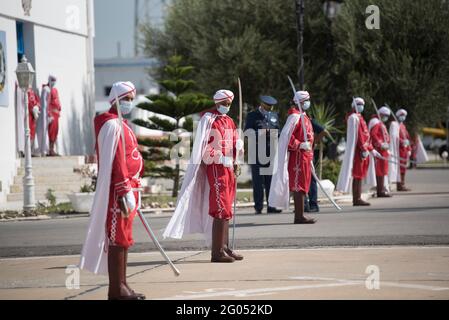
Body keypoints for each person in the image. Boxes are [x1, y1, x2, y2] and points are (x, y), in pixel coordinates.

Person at [80, 81, 145, 300]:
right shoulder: (111, 125)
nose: (129, 103)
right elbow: (116, 162)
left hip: (129, 189)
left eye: (131, 99)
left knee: (125, 239)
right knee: (118, 240)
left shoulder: (121, 123)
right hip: (119, 193)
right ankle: (116, 289)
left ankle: (123, 285)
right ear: (115, 100)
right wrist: (124, 189)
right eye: (126, 99)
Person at [163, 89, 244, 263]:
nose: (227, 107)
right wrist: (221, 157)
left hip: (229, 169)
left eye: (229, 104)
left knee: (227, 209)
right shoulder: (208, 120)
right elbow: (204, 149)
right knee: (220, 208)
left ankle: (226, 247)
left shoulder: (229, 121)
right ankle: (217, 252)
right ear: (217, 103)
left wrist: (238, 148)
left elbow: (233, 144)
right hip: (216, 169)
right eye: (224, 104)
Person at [269, 91, 316, 224]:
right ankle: (299, 216)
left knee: (303, 186)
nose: (308, 103)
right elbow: (286, 137)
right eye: (306, 100)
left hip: (306, 156)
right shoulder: (294, 117)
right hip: (298, 157)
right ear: (300, 102)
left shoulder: (304, 116)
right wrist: (300, 144)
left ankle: (301, 214)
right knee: (298, 186)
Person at [244, 95, 282, 214]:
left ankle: (271, 206)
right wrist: (261, 133)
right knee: (258, 181)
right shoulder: (252, 115)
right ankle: (258, 206)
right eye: (268, 105)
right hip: (256, 152)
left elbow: (279, 131)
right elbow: (247, 132)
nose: (270, 108)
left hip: (271, 152)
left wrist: (275, 134)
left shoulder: (274, 115)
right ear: (262, 104)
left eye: (271, 106)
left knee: (270, 180)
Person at [336, 97, 376, 206]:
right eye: (359, 104)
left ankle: (358, 197)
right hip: (358, 151)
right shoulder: (353, 118)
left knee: (360, 175)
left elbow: (365, 134)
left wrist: (371, 148)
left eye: (362, 104)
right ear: (354, 106)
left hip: (363, 150)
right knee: (357, 175)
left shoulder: (359, 117)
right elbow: (358, 136)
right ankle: (356, 198)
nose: (361, 106)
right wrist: (363, 148)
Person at [368, 106, 392, 197]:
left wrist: (387, 145)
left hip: (384, 151)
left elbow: (385, 136)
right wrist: (380, 144)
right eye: (384, 115)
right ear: (380, 114)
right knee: (379, 171)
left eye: (387, 115)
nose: (385, 117)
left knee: (383, 170)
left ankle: (382, 188)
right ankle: (380, 190)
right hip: (379, 150)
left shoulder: (381, 123)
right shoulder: (375, 122)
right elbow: (373, 135)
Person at [304, 118, 327, 212]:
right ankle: (303, 205)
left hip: (308, 153)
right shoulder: (295, 119)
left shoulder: (309, 121)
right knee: (301, 179)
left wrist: (314, 142)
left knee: (311, 178)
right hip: (299, 153)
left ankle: (313, 204)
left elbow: (323, 131)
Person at [389, 109, 412, 191]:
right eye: (401, 115)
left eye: (404, 116)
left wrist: (409, 148)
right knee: (400, 168)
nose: (403, 117)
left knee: (404, 168)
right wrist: (402, 142)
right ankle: (400, 185)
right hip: (399, 149)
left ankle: (402, 183)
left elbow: (407, 137)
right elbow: (395, 138)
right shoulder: (395, 125)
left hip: (404, 150)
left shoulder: (402, 126)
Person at [38, 75, 61, 156]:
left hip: (56, 115)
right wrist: (49, 114)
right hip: (51, 115)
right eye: (52, 80)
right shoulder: (46, 89)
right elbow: (45, 103)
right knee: (51, 133)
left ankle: (53, 149)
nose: (54, 82)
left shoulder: (55, 90)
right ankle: (49, 150)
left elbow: (57, 101)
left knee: (55, 133)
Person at [27, 88, 41, 155]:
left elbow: (37, 102)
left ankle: (31, 151)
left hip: (33, 116)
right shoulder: (27, 92)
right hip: (28, 115)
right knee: (28, 132)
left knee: (32, 133)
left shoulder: (33, 92)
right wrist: (32, 109)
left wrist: (36, 108)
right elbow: (28, 103)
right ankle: (27, 151)